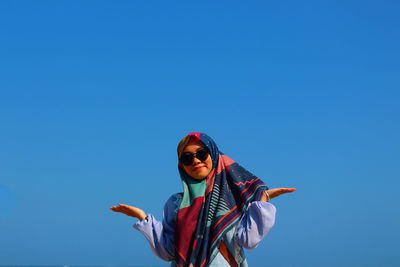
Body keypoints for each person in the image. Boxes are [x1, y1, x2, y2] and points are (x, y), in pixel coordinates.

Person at [110, 132, 295, 267]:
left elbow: (248, 241)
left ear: (214, 155)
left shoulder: (234, 200)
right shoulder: (175, 203)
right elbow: (169, 252)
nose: (196, 161)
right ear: (181, 165)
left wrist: (262, 202)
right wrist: (142, 218)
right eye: (187, 158)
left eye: (201, 154)